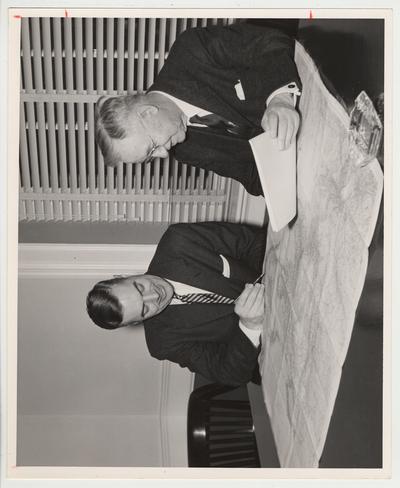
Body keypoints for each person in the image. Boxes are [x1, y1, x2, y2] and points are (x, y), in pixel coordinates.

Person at [95, 22, 301, 196]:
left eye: (152, 148)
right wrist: (282, 193)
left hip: (305, 97)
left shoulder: (191, 51)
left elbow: (271, 42)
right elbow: (249, 174)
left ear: (148, 112)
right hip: (299, 160)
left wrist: (279, 99)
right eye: (150, 157)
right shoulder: (184, 150)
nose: (164, 154)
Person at [86, 222, 267, 386]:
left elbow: (255, 242)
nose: (155, 295)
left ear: (123, 277)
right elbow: (229, 373)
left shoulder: (179, 242)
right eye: (145, 309)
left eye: (140, 287)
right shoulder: (163, 342)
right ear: (136, 322)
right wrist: (249, 326)